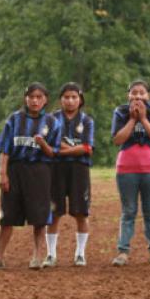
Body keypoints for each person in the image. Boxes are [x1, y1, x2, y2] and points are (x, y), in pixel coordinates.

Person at [0, 83, 61, 271]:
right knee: (7, 215)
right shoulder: (15, 119)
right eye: (31, 97)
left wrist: (42, 144)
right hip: (15, 170)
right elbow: (5, 149)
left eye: (39, 97)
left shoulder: (52, 122)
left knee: (39, 216)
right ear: (25, 98)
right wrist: (3, 175)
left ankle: (37, 257)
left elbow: (53, 153)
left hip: (39, 172)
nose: (35, 100)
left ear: (45, 100)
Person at [111, 80, 150, 266]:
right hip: (126, 168)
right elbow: (118, 139)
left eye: (141, 93)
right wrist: (132, 119)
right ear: (128, 95)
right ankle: (123, 252)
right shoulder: (120, 112)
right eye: (133, 93)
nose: (137, 96)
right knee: (128, 211)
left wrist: (143, 118)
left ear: (148, 96)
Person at [44, 82, 94, 267]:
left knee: (81, 212)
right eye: (66, 97)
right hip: (55, 170)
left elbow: (88, 148)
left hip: (79, 170)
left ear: (80, 100)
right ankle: (51, 254)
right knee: (54, 212)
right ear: (60, 100)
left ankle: (80, 254)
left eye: (74, 97)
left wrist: (60, 149)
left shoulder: (87, 121)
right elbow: (49, 145)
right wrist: (75, 148)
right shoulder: (51, 119)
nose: (70, 101)